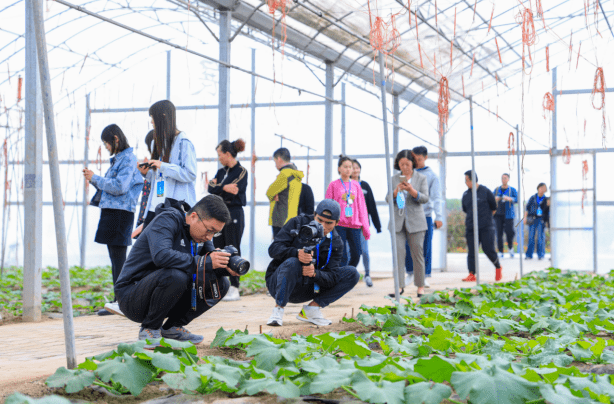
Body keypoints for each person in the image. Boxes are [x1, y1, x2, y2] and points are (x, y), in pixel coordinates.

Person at [113, 195, 237, 349]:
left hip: (165, 293)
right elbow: (161, 256)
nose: (209, 237)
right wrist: (204, 261)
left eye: (215, 233)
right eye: (209, 230)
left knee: (221, 283)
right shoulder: (166, 220)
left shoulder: (201, 236)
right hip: (132, 295)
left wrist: (224, 266)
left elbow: (207, 261)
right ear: (193, 217)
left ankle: (172, 327)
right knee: (176, 275)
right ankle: (150, 329)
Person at [265, 199, 360, 327]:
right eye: (319, 220)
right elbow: (273, 249)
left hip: (308, 288)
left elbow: (332, 277)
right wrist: (296, 253)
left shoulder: (336, 242)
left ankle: (311, 310)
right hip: (278, 284)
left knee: (352, 273)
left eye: (329, 223)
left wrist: (315, 274)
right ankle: (278, 310)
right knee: (293, 262)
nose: (323, 226)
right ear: (314, 215)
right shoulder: (297, 223)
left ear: (337, 223)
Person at [83, 124, 143, 316]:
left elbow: (120, 187)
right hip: (113, 211)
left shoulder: (128, 159)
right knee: (115, 258)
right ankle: (119, 300)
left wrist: (96, 178)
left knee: (119, 259)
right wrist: (94, 180)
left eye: (107, 143)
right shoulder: (120, 160)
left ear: (116, 139)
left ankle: (123, 301)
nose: (106, 147)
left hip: (120, 213)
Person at [133, 100, 197, 236]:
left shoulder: (183, 142)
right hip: (154, 206)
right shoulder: (157, 142)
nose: (151, 122)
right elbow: (159, 177)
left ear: (163, 117)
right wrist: (147, 173)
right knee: (147, 252)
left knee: (163, 250)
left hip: (172, 209)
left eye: (153, 117)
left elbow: (190, 173)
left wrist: (163, 165)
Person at [208, 139, 248, 301]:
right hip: (219, 214)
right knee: (218, 247)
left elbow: (235, 190)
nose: (219, 158)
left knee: (233, 247)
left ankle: (234, 286)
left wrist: (219, 188)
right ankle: (220, 284)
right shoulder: (221, 172)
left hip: (234, 213)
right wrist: (223, 187)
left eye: (220, 155)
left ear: (227, 154)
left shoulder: (241, 171)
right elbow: (210, 187)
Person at [387, 150, 429, 298]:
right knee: (398, 254)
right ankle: (399, 286)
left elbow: (425, 198)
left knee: (417, 254)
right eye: (401, 164)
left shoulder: (421, 178)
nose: (404, 167)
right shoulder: (394, 179)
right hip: (397, 222)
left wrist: (411, 190)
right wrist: (396, 190)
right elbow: (388, 198)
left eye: (407, 164)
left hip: (416, 222)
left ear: (413, 163)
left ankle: (420, 286)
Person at [405, 146, 443, 289]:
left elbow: (436, 197)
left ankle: (424, 276)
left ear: (425, 158)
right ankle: (410, 273)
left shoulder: (432, 176)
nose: (416, 162)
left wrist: (439, 216)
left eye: (419, 159)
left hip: (425, 215)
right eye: (414, 159)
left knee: (425, 246)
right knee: (408, 244)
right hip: (409, 215)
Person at [325, 155, 370, 268]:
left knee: (357, 253)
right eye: (345, 167)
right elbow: (328, 205)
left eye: (350, 167)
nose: (348, 169)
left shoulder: (356, 185)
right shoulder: (333, 185)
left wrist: (365, 227)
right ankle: (342, 277)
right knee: (342, 255)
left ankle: (348, 272)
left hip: (354, 225)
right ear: (339, 168)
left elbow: (362, 207)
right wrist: (327, 224)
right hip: (339, 225)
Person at [461, 170, 502, 282]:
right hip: (471, 227)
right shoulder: (466, 194)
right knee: (472, 251)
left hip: (486, 226)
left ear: (472, 180)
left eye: (466, 180)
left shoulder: (485, 191)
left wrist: (485, 218)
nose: (465, 182)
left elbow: (494, 207)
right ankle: (471, 274)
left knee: (488, 249)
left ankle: (498, 266)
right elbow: (465, 209)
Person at [267, 147, 315, 237]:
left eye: (275, 161)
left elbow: (269, 192)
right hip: (293, 218)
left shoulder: (284, 174)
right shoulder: (295, 177)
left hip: (281, 220)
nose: (275, 165)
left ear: (279, 159)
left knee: (280, 247)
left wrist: (274, 195)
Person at [350, 159, 381, 287]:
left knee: (365, 251)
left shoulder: (365, 186)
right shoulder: (345, 186)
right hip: (349, 225)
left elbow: (372, 206)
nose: (355, 170)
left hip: (362, 225)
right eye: (353, 168)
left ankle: (367, 274)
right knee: (349, 252)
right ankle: (349, 275)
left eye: (357, 168)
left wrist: (377, 225)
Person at [493, 173, 518, 259]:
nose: (504, 180)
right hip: (498, 215)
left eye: (505, 178)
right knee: (499, 233)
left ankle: (510, 248)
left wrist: (510, 199)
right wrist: (495, 199)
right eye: (502, 178)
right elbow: (491, 199)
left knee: (509, 232)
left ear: (508, 179)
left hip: (509, 215)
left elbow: (517, 199)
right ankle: (500, 251)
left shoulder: (512, 190)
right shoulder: (496, 190)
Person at [135, 130, 154, 230]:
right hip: (147, 211)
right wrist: (145, 173)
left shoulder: (162, 162)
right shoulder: (154, 162)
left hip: (152, 211)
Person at [524, 183, 549, 260]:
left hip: (541, 219)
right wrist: (525, 218)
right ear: (538, 188)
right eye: (540, 188)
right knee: (531, 237)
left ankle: (540, 255)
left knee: (540, 237)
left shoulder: (546, 199)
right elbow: (527, 208)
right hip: (532, 218)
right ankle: (529, 255)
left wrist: (547, 221)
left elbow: (548, 211)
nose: (541, 190)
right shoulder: (533, 198)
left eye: (543, 188)